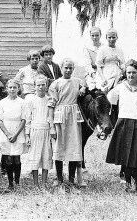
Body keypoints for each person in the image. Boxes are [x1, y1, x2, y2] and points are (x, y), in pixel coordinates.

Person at [106, 59, 137, 193]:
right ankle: (127, 182)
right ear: (125, 74)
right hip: (124, 123)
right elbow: (110, 98)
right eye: (128, 73)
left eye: (133, 73)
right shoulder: (121, 87)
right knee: (125, 154)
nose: (131, 75)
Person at [48, 58, 86, 186]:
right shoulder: (56, 84)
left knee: (73, 147)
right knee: (60, 147)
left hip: (73, 117)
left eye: (70, 68)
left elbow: (86, 84)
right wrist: (52, 127)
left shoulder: (77, 81)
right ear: (61, 68)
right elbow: (51, 105)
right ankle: (59, 179)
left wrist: (83, 88)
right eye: (66, 68)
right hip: (60, 116)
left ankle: (71, 180)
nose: (68, 70)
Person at [0, 79, 26, 189]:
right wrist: (7, 134)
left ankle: (17, 182)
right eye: (10, 87)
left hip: (18, 130)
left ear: (18, 89)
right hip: (5, 130)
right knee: (8, 158)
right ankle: (10, 183)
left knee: (16, 157)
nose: (12, 89)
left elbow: (24, 119)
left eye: (14, 87)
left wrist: (15, 135)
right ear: (6, 89)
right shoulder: (2, 102)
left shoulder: (22, 102)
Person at [25, 77, 53, 189]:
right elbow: (28, 119)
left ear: (46, 86)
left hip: (46, 131)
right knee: (35, 156)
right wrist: (27, 135)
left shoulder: (50, 100)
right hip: (35, 131)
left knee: (46, 155)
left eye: (43, 85)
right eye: (38, 85)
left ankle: (44, 183)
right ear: (35, 86)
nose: (41, 87)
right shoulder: (31, 100)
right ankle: (36, 184)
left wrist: (52, 130)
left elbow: (51, 117)